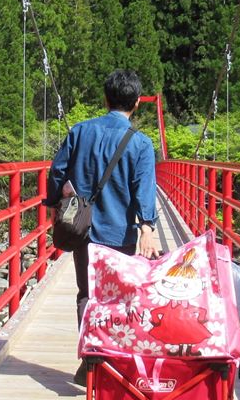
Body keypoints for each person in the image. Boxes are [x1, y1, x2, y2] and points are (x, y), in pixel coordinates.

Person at [46, 70, 161, 347]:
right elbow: (143, 188)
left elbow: (57, 172)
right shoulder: (142, 143)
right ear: (136, 103)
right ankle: (112, 361)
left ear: (105, 99)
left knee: (87, 293)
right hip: (119, 234)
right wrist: (147, 226)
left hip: (81, 228)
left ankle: (90, 360)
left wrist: (53, 207)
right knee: (118, 298)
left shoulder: (80, 131)